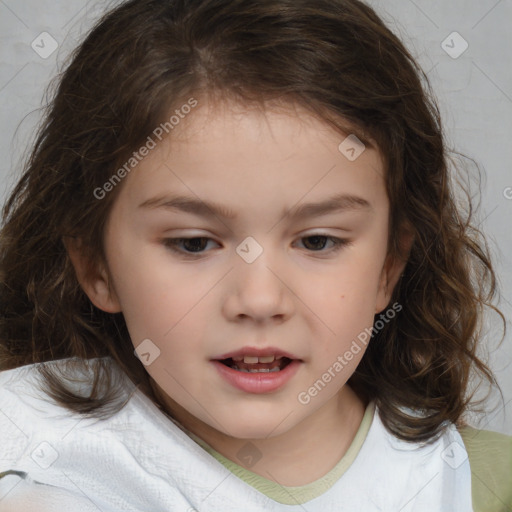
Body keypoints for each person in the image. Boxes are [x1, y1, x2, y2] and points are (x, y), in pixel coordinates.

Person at [0, 0, 510, 510]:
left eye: (317, 241)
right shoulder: (30, 463)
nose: (260, 299)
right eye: (194, 243)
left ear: (388, 267)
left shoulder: (478, 484)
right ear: (96, 266)